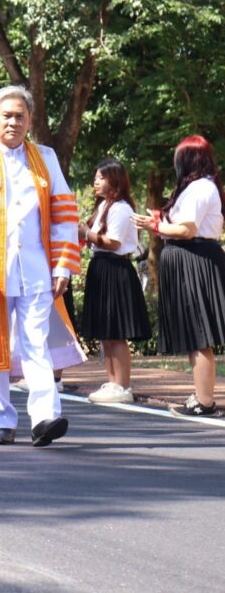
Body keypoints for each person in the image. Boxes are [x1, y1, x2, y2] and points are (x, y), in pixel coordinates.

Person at [0, 85, 86, 447]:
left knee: (35, 342)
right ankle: (3, 419)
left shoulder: (45, 157)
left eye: (20, 116)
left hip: (36, 267)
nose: (13, 122)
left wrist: (62, 266)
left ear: (30, 120)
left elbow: (63, 214)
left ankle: (44, 418)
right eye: (7, 116)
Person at [134, 135, 225, 417]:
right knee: (196, 334)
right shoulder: (196, 187)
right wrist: (159, 221)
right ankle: (201, 396)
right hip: (189, 258)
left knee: (199, 333)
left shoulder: (200, 187)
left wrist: (155, 226)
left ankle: (205, 401)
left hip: (194, 259)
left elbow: (186, 229)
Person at [79, 159, 151, 404]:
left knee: (116, 331)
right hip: (101, 266)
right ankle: (112, 382)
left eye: (101, 178)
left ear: (115, 180)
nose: (96, 182)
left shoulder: (121, 208)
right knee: (106, 331)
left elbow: (113, 242)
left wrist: (87, 233)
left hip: (115, 267)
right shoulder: (103, 206)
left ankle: (122, 385)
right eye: (95, 178)